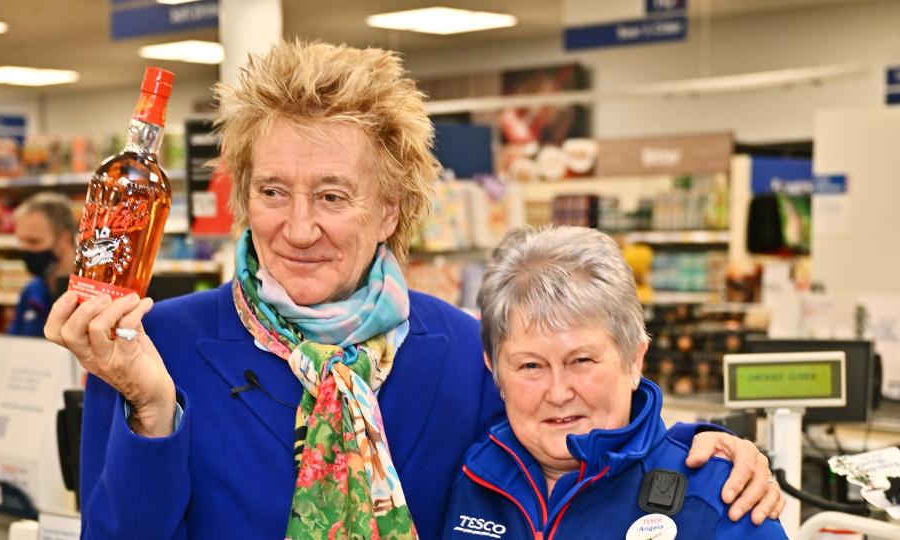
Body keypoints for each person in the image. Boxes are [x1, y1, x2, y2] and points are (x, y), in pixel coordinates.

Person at [45, 41, 782, 539]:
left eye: (333, 196)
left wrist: (700, 452)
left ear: (389, 210)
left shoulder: (462, 350)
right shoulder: (160, 346)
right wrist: (147, 405)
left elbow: (566, 449)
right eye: (274, 191)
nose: (299, 228)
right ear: (243, 198)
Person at [444, 226, 787, 539]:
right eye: (531, 365)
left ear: (634, 359)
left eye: (582, 361)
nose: (559, 392)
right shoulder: (471, 480)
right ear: (494, 369)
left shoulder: (719, 499)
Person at [9, 192, 76, 337]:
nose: (25, 249)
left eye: (34, 241)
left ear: (64, 239)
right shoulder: (31, 291)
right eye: (21, 240)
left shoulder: (97, 294)